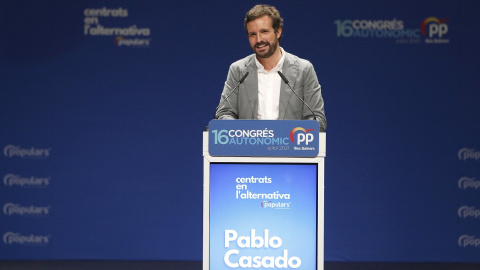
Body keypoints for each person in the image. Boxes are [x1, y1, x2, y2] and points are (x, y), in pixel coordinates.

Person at [215, 4, 327, 131]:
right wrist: (244, 131)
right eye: (253, 34)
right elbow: (223, 114)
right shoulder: (238, 70)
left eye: (264, 32)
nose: (259, 40)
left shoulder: (303, 69)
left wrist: (289, 135)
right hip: (248, 148)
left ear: (278, 32)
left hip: (290, 148)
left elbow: (318, 120)